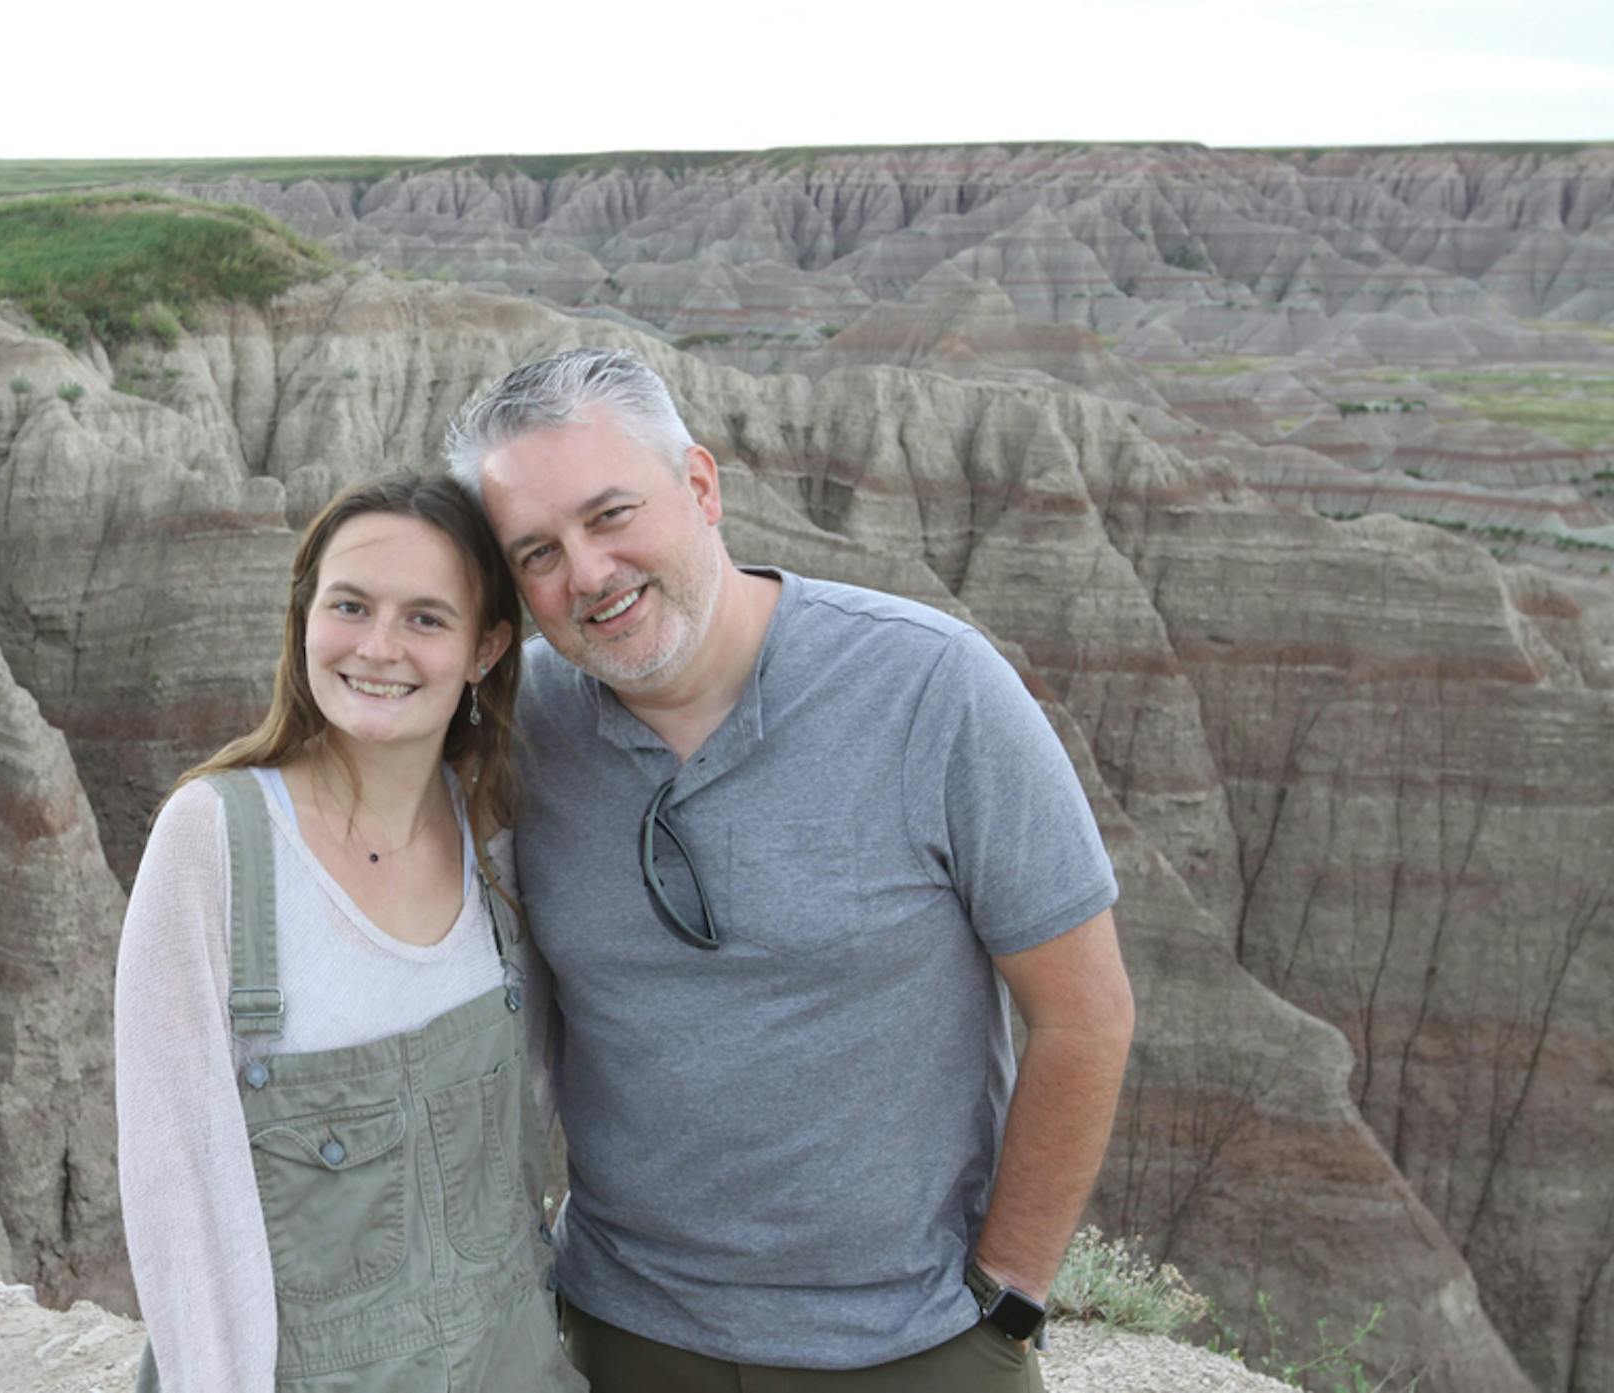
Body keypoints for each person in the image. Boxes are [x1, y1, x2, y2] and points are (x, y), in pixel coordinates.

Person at [445, 348, 1137, 1392]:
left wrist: (1010, 1297)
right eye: (537, 550)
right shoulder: (515, 732)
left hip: (913, 1344)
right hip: (625, 1333)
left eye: (611, 514)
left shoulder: (933, 690)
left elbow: (1086, 1013)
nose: (586, 573)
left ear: (702, 486)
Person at [115, 472, 586, 1392]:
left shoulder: (496, 841)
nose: (378, 647)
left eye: (425, 618)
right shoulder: (214, 842)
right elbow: (184, 1204)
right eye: (350, 605)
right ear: (303, 617)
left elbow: (523, 1142)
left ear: (486, 648)